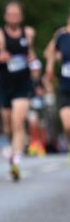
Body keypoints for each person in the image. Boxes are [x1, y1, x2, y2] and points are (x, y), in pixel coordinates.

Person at [0, 0, 37, 181]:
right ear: (5, 16)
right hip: (5, 84)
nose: (13, 16)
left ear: (21, 16)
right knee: (7, 125)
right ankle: (14, 148)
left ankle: (16, 160)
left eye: (16, 14)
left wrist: (32, 59)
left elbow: (32, 54)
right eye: (10, 13)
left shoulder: (28, 33)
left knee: (17, 121)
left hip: (23, 83)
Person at [43, 10, 70, 146]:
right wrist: (49, 69)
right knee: (67, 125)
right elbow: (48, 53)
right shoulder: (62, 35)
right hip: (66, 86)